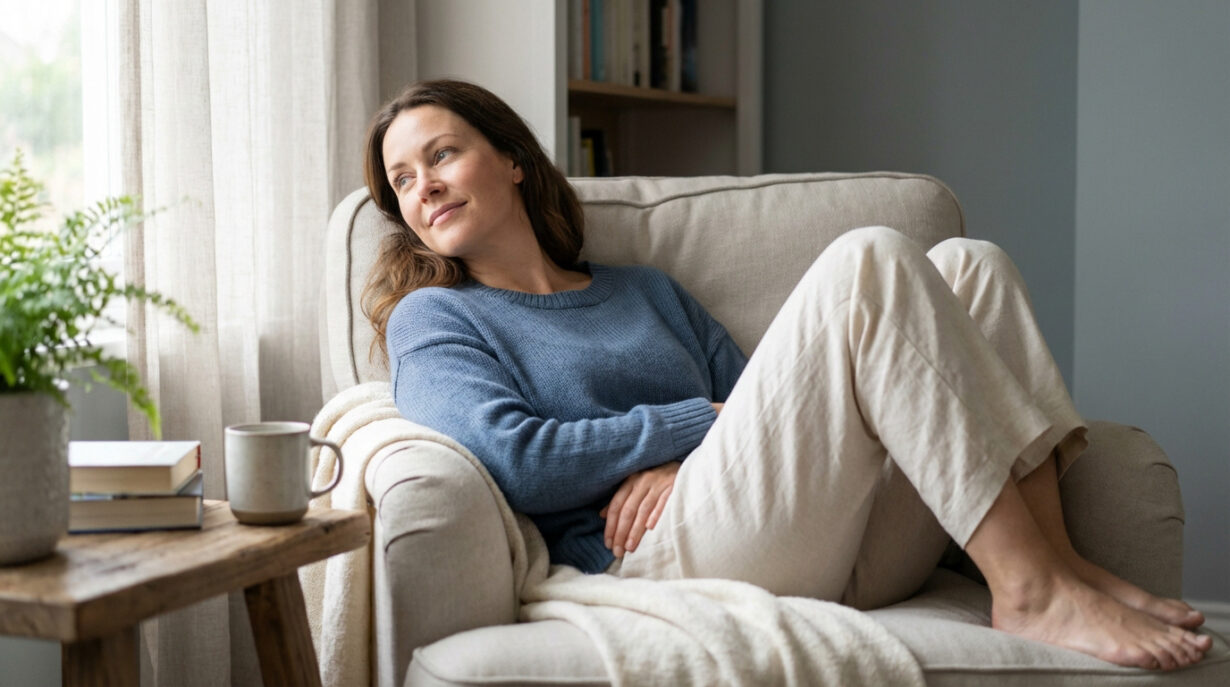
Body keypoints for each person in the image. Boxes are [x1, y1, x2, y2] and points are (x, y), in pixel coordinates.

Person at [360, 79, 1212, 671]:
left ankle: (1053, 562)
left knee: (972, 263)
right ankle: (1027, 591)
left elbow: (764, 405)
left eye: (441, 155)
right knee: (869, 258)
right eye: (402, 179)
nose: (423, 187)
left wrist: (694, 450)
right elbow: (517, 459)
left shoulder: (645, 292)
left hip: (825, 540)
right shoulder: (435, 317)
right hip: (655, 555)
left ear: (511, 159)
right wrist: (692, 427)